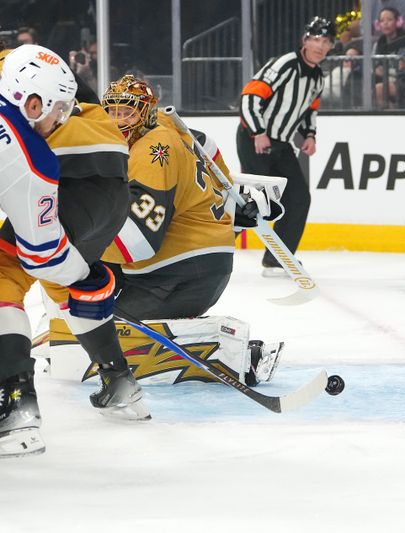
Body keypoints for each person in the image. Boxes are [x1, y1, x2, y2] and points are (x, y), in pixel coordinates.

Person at [0, 1, 148, 456]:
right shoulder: (21, 61)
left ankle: (17, 408)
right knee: (62, 282)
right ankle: (120, 382)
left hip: (71, 181)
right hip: (103, 183)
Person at [42, 74, 286, 388]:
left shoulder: (151, 151)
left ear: (146, 112)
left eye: (127, 112)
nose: (118, 121)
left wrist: (73, 245)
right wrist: (245, 207)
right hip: (194, 264)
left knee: (96, 331)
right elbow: (217, 177)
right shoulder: (181, 131)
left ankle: (232, 354)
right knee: (81, 293)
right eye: (112, 111)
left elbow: (139, 243)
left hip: (178, 274)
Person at [237, 17, 334, 277]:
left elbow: (309, 110)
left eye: (325, 41)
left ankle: (276, 259)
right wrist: (258, 131)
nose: (319, 46)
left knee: (299, 198)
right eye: (315, 39)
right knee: (254, 202)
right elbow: (250, 96)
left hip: (281, 145)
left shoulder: (317, 78)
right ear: (304, 40)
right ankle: (206, 247)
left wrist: (310, 135)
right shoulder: (285, 64)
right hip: (254, 139)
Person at [373, 7, 405, 108]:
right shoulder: (378, 44)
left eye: (389, 19)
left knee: (379, 89)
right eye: (382, 20)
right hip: (383, 80)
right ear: (378, 25)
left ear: (398, 21)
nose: (385, 23)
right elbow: (374, 66)